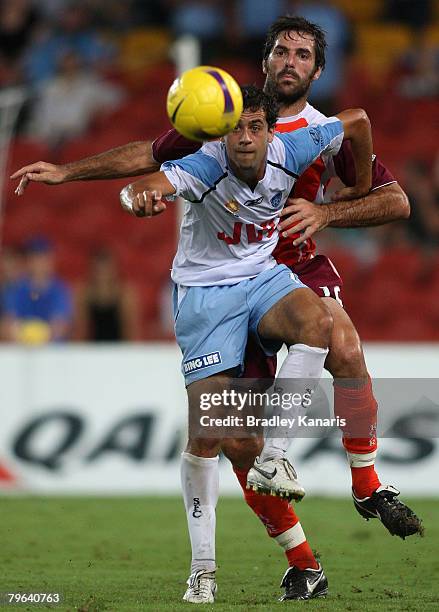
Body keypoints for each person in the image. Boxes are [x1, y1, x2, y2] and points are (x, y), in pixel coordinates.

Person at [9, 15, 422, 599]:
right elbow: (149, 166)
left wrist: (332, 208)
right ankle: (290, 560)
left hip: (282, 269)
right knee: (223, 433)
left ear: (318, 70)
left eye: (302, 55)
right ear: (263, 63)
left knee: (340, 339)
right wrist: (79, 176)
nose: (289, 62)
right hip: (210, 289)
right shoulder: (218, 121)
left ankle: (365, 482)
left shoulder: (314, 131)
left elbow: (390, 191)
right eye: (280, 51)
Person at [119, 84, 372, 602]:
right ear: (223, 132)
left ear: (269, 130)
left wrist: (359, 185)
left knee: (317, 320)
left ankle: (276, 455)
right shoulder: (205, 163)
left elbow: (358, 119)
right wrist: (135, 198)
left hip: (262, 277)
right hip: (207, 296)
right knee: (211, 433)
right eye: (236, 126)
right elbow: (149, 182)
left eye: (256, 126)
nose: (246, 136)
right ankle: (203, 569)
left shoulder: (292, 147)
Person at [2, 237, 73, 344]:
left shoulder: (60, 290)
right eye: (34, 258)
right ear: (28, 261)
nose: (38, 263)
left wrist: (37, 336)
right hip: (22, 352)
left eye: (42, 257)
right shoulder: (15, 289)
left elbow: (61, 326)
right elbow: (8, 325)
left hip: (53, 353)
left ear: (50, 260)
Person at [74, 248, 141, 341]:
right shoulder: (84, 293)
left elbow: (132, 331)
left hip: (121, 349)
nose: (103, 275)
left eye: (106, 270)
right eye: (99, 270)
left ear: (114, 270)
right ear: (91, 270)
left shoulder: (125, 294)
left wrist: (131, 353)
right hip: (91, 351)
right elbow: (80, 330)